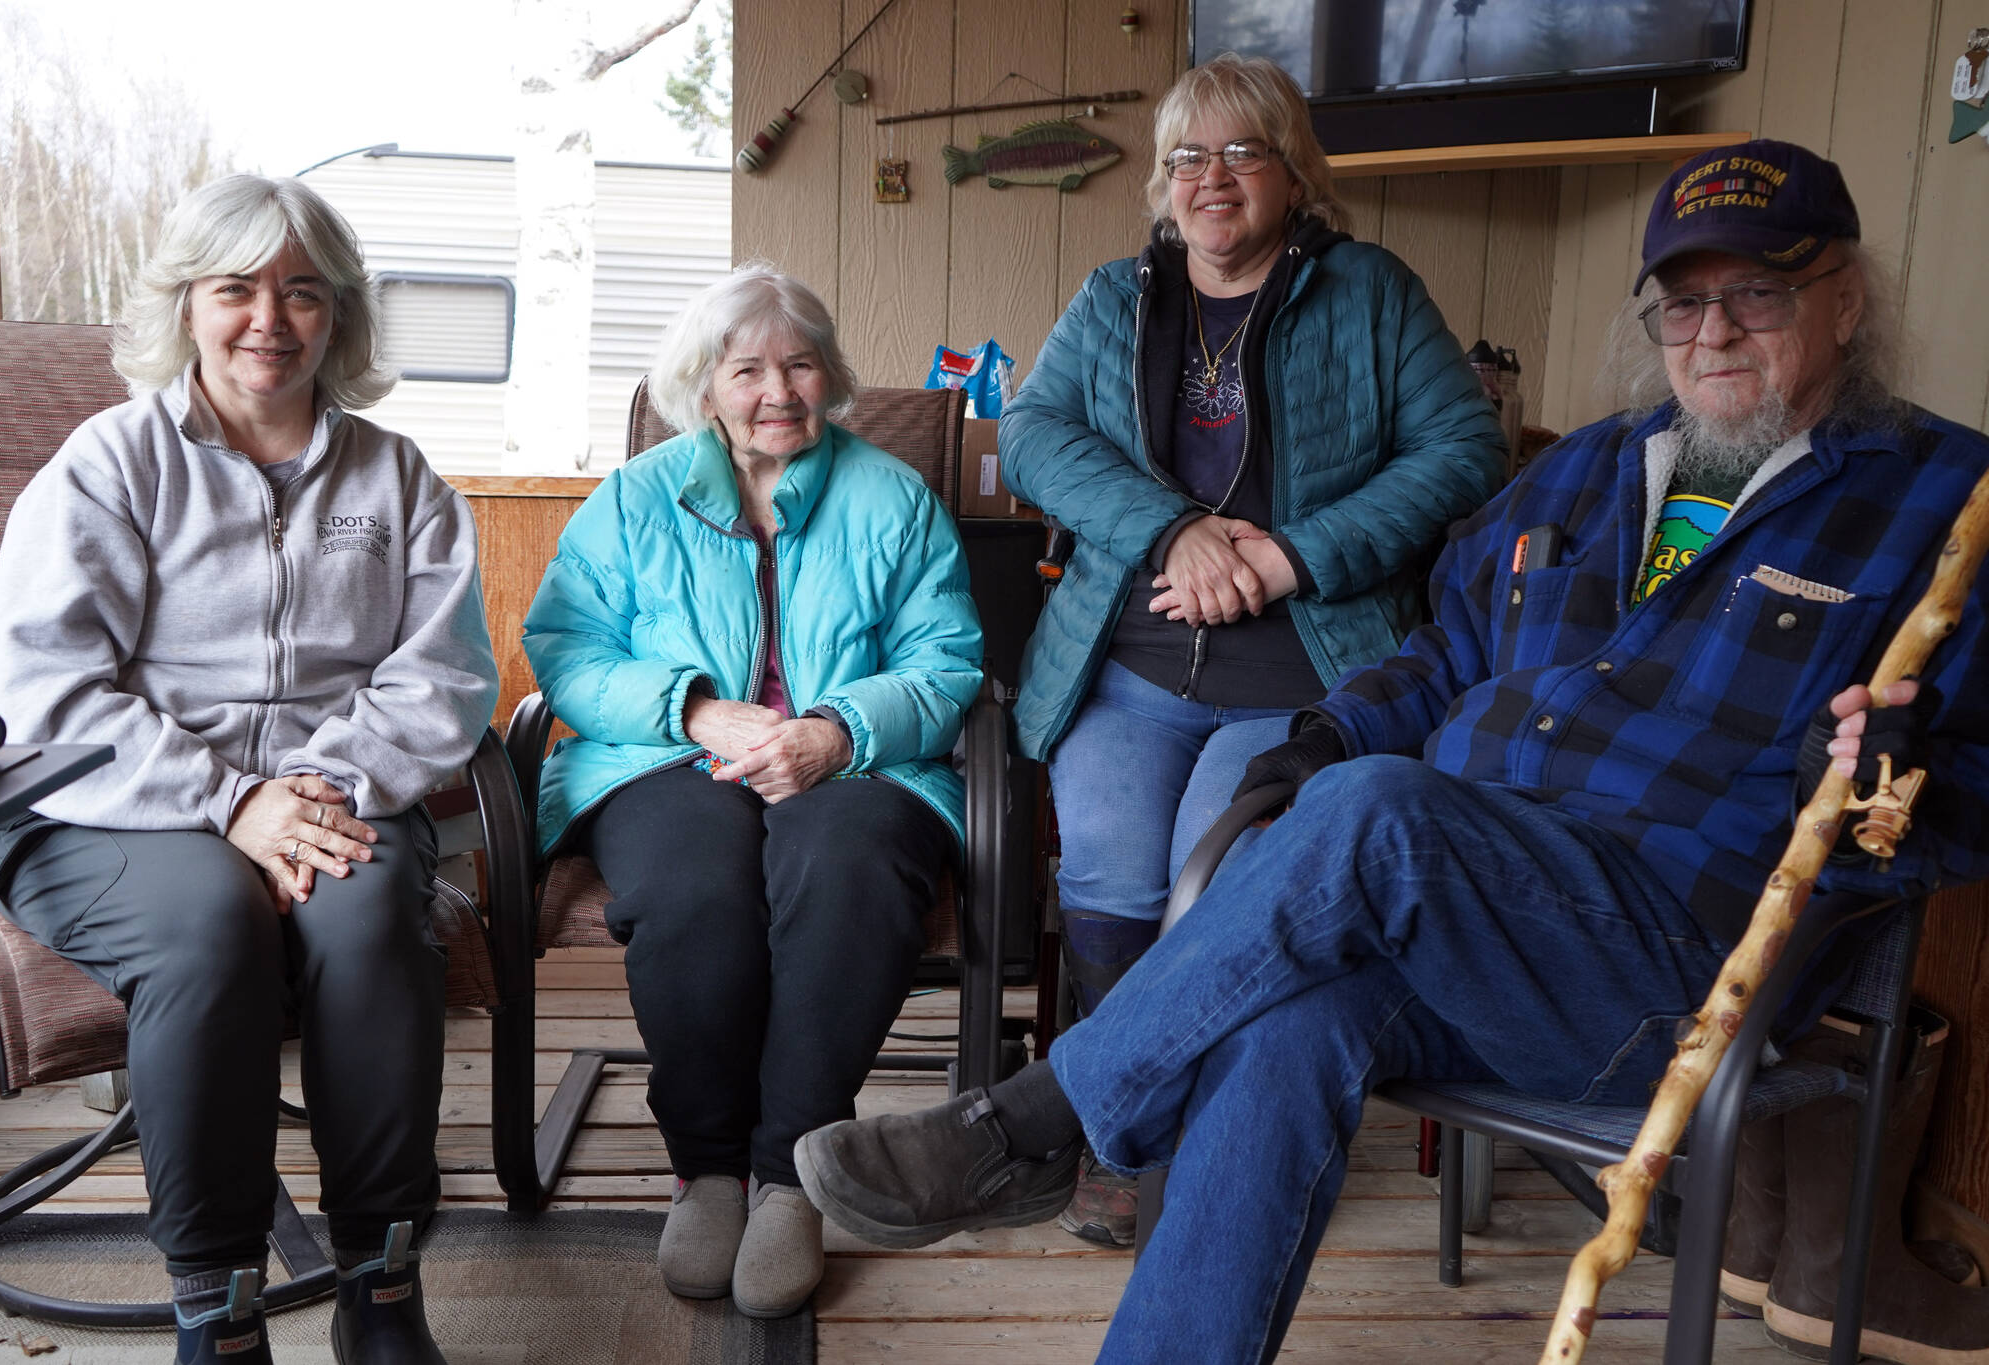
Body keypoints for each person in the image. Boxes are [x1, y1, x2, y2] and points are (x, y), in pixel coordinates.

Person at [792, 138, 1989, 1363]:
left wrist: (1896, 778)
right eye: (1685, 302)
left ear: (1844, 298)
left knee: (1381, 814)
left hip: (1678, 966)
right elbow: (1441, 654)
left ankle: (1034, 1122)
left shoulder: (1947, 505)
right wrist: (1316, 739)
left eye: (1758, 295)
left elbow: (1971, 789)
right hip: (1464, 924)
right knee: (1284, 1021)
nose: (1714, 332)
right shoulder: (1583, 472)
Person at [0, 175, 498, 1365]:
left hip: (334, 799)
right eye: (235, 289)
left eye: (301, 292)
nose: (268, 319)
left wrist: (309, 797)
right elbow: (44, 693)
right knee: (208, 926)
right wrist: (231, 805)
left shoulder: (397, 478)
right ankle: (215, 1304)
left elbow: (447, 677)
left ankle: (380, 1281)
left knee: (369, 922)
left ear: (338, 316)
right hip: (106, 809)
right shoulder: (107, 466)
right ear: (186, 306)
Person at [997, 53, 1504, 1245]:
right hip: (1124, 666)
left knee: (1206, 882)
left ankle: (1161, 1129)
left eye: (1239, 153)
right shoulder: (1113, 297)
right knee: (1110, 879)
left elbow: (1461, 452)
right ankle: (1141, 1119)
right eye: (1186, 157)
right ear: (1162, 185)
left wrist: (1288, 557)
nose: (1209, 179)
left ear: (1291, 174)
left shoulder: (1369, 292)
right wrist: (1170, 530)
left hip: (1300, 671)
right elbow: (1028, 433)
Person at [521, 264, 983, 1319]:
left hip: (860, 760)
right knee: (694, 880)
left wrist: (836, 731)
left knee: (847, 869)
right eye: (747, 370)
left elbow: (947, 660)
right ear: (704, 385)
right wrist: (689, 711)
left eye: (800, 364)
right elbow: (565, 650)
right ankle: (708, 1168)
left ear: (830, 378)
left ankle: (788, 1176)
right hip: (662, 757)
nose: (777, 390)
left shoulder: (891, 497)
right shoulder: (636, 498)